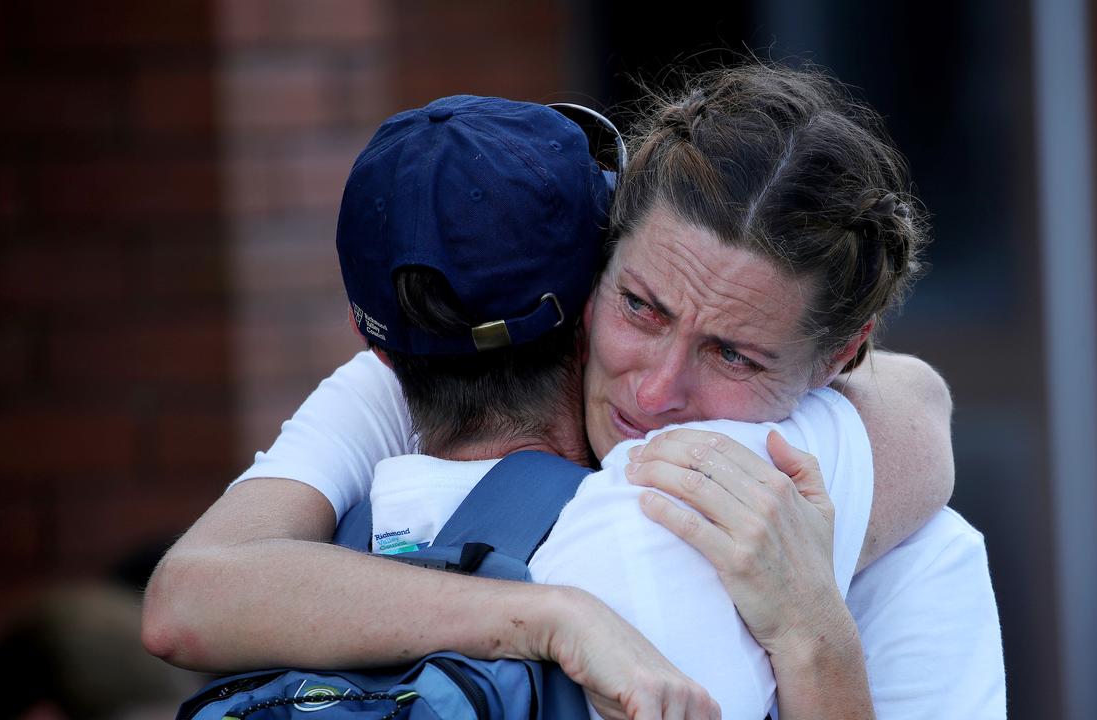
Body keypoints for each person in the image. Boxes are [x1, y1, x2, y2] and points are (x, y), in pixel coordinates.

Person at [144, 63, 1004, 718]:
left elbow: (919, 408)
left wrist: (815, 630)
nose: (661, 389)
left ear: (839, 358)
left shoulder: (735, 480)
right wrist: (550, 617)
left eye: (734, 356)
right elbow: (183, 601)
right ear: (592, 271)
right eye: (642, 307)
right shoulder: (405, 393)